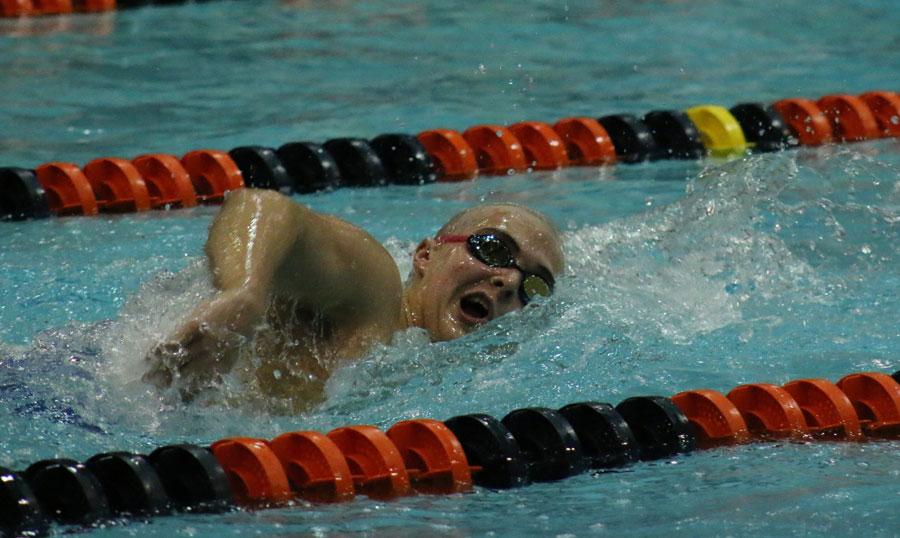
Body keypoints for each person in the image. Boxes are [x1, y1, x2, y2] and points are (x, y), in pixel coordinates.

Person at [143, 188, 565, 410]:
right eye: (492, 249)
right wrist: (244, 294)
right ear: (425, 255)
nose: (509, 280)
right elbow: (262, 207)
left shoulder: (434, 377)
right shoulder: (376, 291)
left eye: (535, 285)